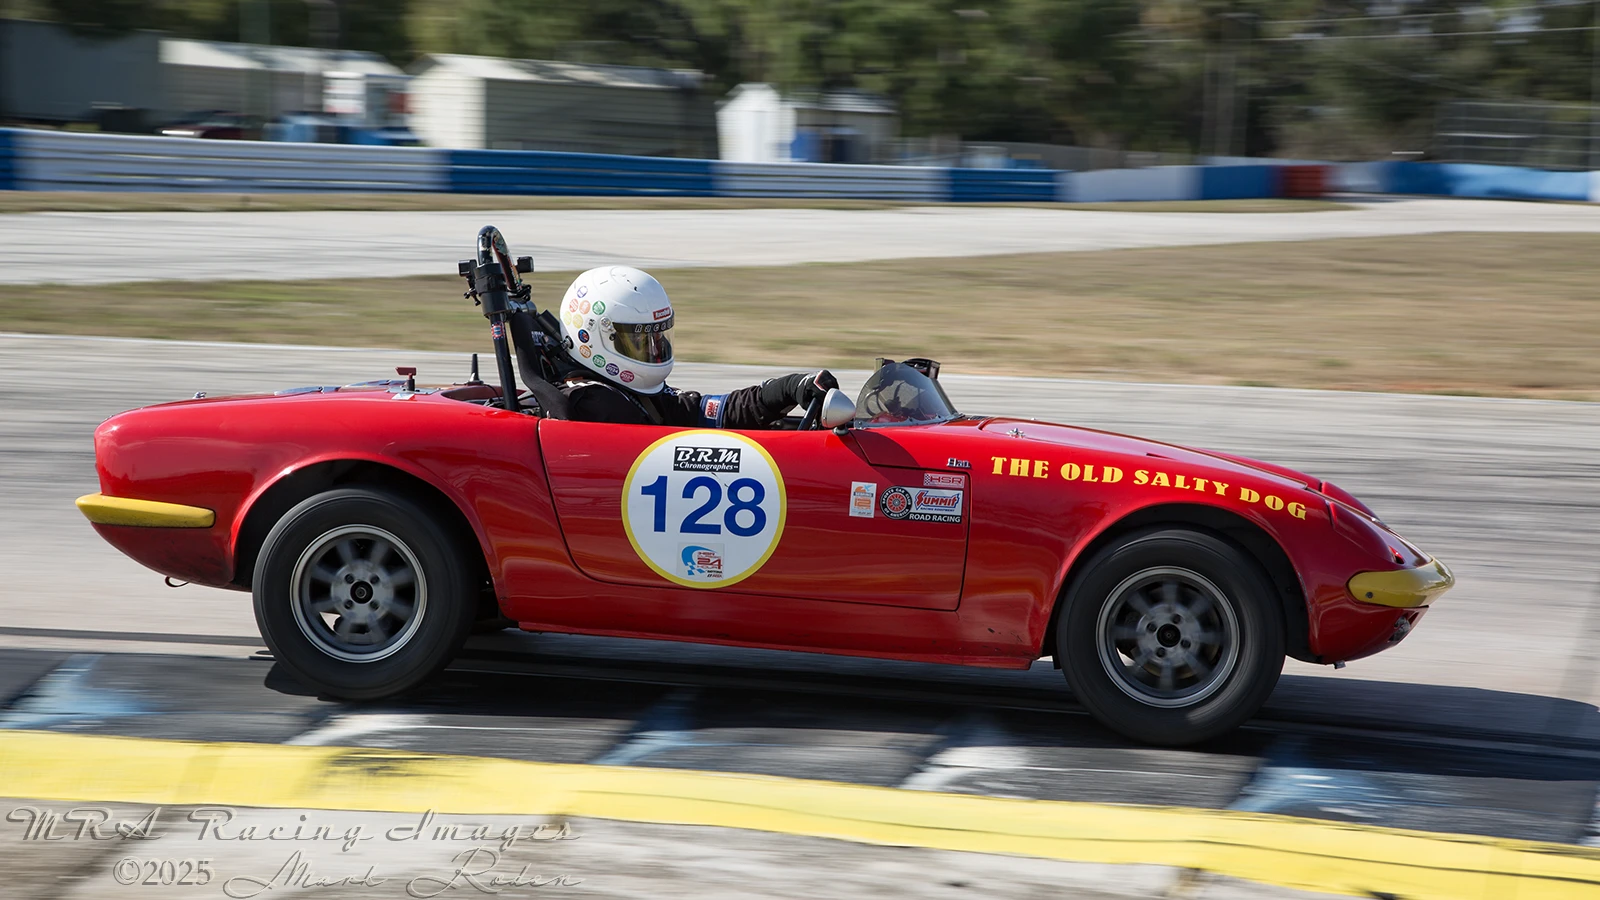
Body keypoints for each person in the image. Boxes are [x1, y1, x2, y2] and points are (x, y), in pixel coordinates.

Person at [555, 266, 838, 428]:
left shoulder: (632, 394)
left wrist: (786, 389)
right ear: (594, 337)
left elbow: (708, 410)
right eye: (640, 340)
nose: (655, 348)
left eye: (657, 337)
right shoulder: (598, 406)